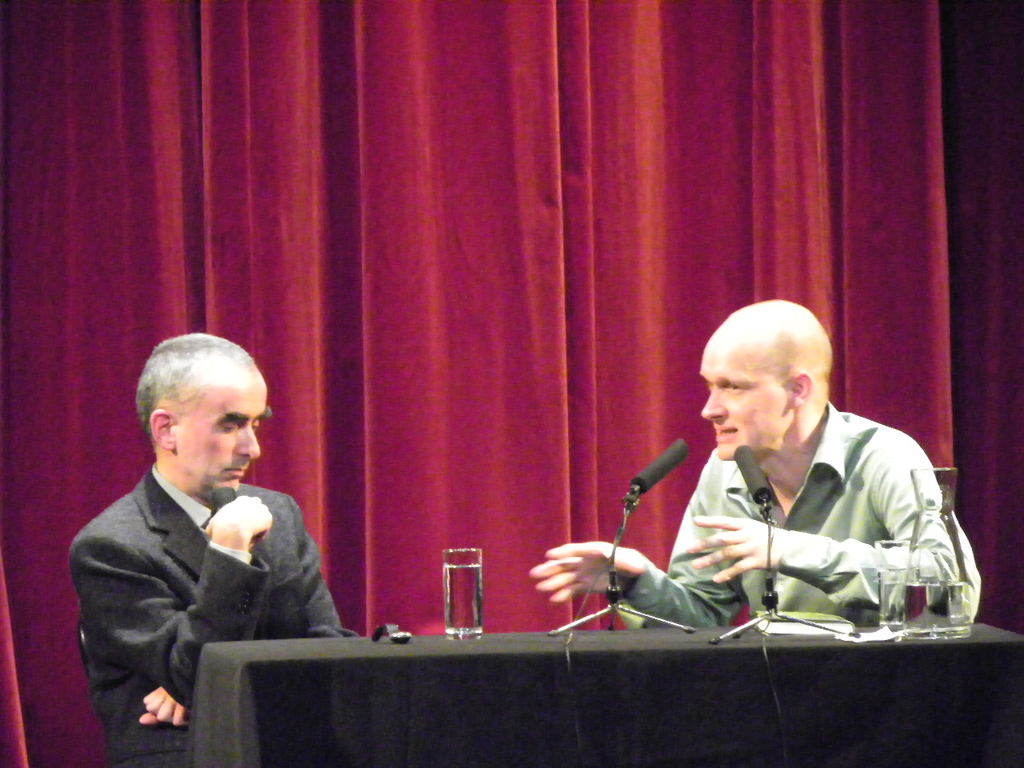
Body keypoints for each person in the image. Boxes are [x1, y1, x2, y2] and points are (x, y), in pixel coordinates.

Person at [530, 300, 981, 628]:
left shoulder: (884, 455)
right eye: (710, 386)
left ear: (798, 390)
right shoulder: (723, 470)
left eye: (733, 387)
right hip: (771, 697)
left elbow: (953, 585)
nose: (710, 409)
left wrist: (789, 550)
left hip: (883, 696)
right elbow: (704, 615)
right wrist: (638, 582)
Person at [70, 334, 354, 768]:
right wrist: (229, 558)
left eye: (256, 424)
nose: (252, 448)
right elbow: (196, 676)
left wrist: (212, 686)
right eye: (230, 425)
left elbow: (327, 647)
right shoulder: (110, 546)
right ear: (166, 429)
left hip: (291, 745)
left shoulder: (280, 513)